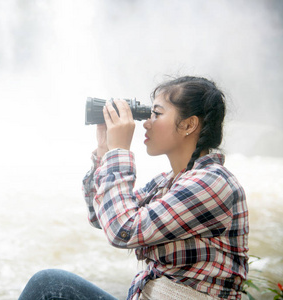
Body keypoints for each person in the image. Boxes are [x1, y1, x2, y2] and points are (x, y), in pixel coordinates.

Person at [18, 76, 249, 300]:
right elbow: (101, 217)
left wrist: (119, 152)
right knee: (51, 285)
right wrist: (104, 152)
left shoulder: (212, 183)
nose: (146, 122)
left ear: (189, 124)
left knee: (47, 284)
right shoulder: (168, 183)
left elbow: (123, 229)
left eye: (156, 114)